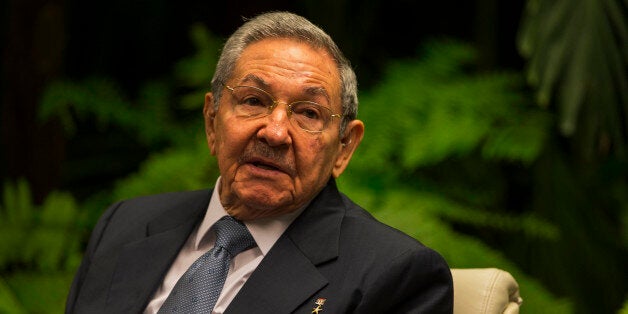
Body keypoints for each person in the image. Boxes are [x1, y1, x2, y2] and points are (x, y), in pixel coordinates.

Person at [65, 11, 453, 314]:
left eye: (308, 113)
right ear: (212, 120)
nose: (275, 132)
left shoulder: (395, 276)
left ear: (344, 147)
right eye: (252, 101)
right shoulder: (124, 226)